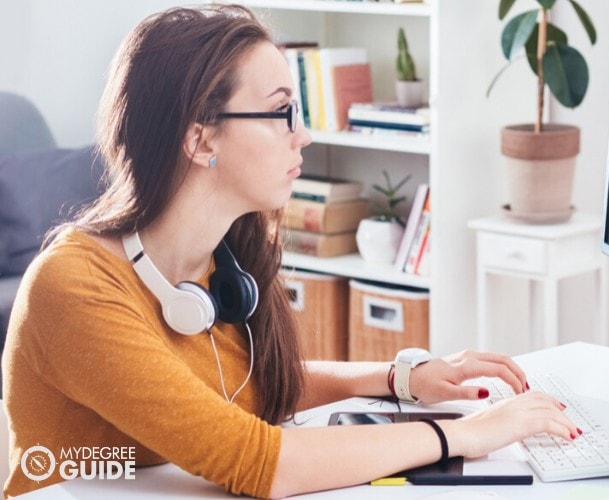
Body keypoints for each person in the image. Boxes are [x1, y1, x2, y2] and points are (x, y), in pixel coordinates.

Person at [1, 5, 579, 499]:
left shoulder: (216, 264)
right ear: (201, 137)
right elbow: (258, 462)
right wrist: (468, 434)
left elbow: (250, 384)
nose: (302, 136)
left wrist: (403, 377)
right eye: (281, 113)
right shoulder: (74, 287)